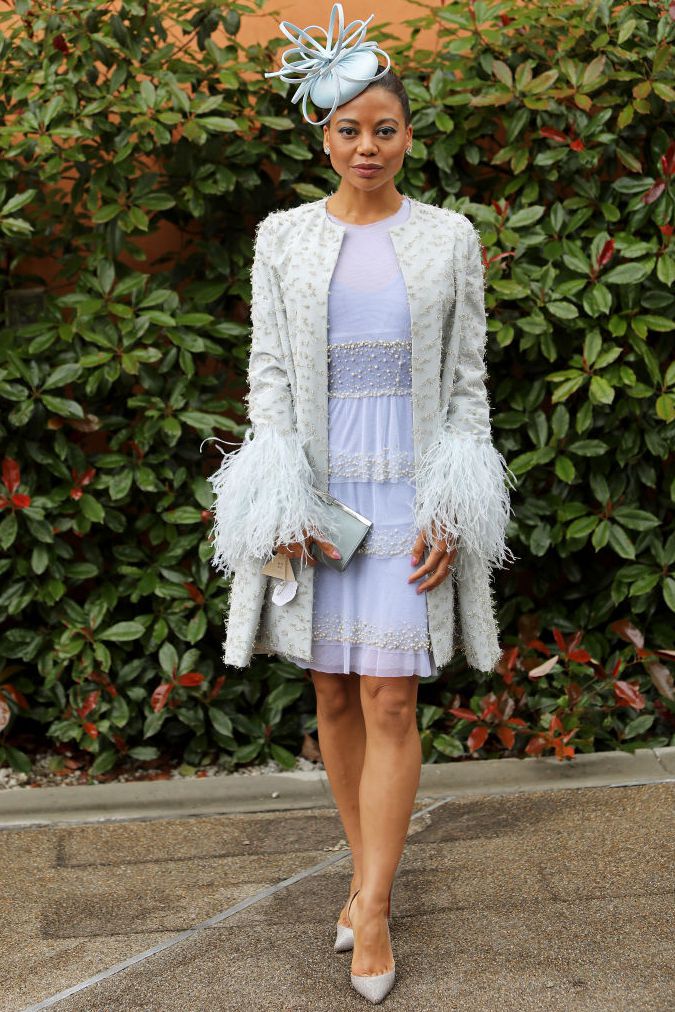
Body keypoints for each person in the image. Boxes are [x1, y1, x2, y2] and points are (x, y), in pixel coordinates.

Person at [205, 4, 516, 1003]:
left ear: (407, 135)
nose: (366, 145)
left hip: (410, 495)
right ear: (322, 135)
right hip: (321, 500)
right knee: (332, 692)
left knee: (391, 694)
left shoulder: (451, 240)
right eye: (348, 129)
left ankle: (373, 907)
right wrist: (279, 492)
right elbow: (267, 378)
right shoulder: (282, 238)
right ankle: (362, 873)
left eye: (384, 127)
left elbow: (467, 384)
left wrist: (454, 504)